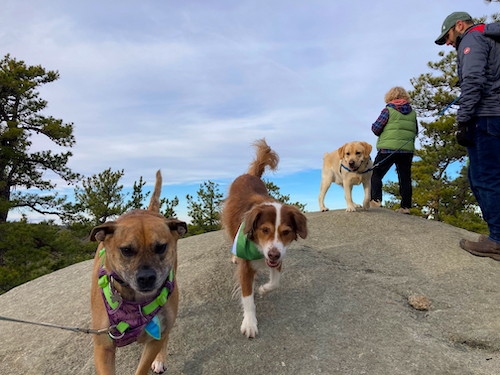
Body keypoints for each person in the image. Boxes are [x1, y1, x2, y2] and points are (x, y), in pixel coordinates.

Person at [435, 12, 500, 259]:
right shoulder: (493, 38)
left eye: (449, 36)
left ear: (459, 25)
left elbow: (473, 80)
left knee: (485, 178)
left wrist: (462, 121)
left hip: (486, 117)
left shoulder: (472, 39)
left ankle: (497, 240)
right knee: (484, 176)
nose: (449, 43)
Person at [370, 86, 418, 214]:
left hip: (388, 148)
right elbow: (415, 131)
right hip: (406, 150)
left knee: (375, 172)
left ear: (390, 97)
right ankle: (405, 207)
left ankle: (375, 200)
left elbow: (376, 128)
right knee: (405, 177)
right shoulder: (412, 112)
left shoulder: (388, 110)